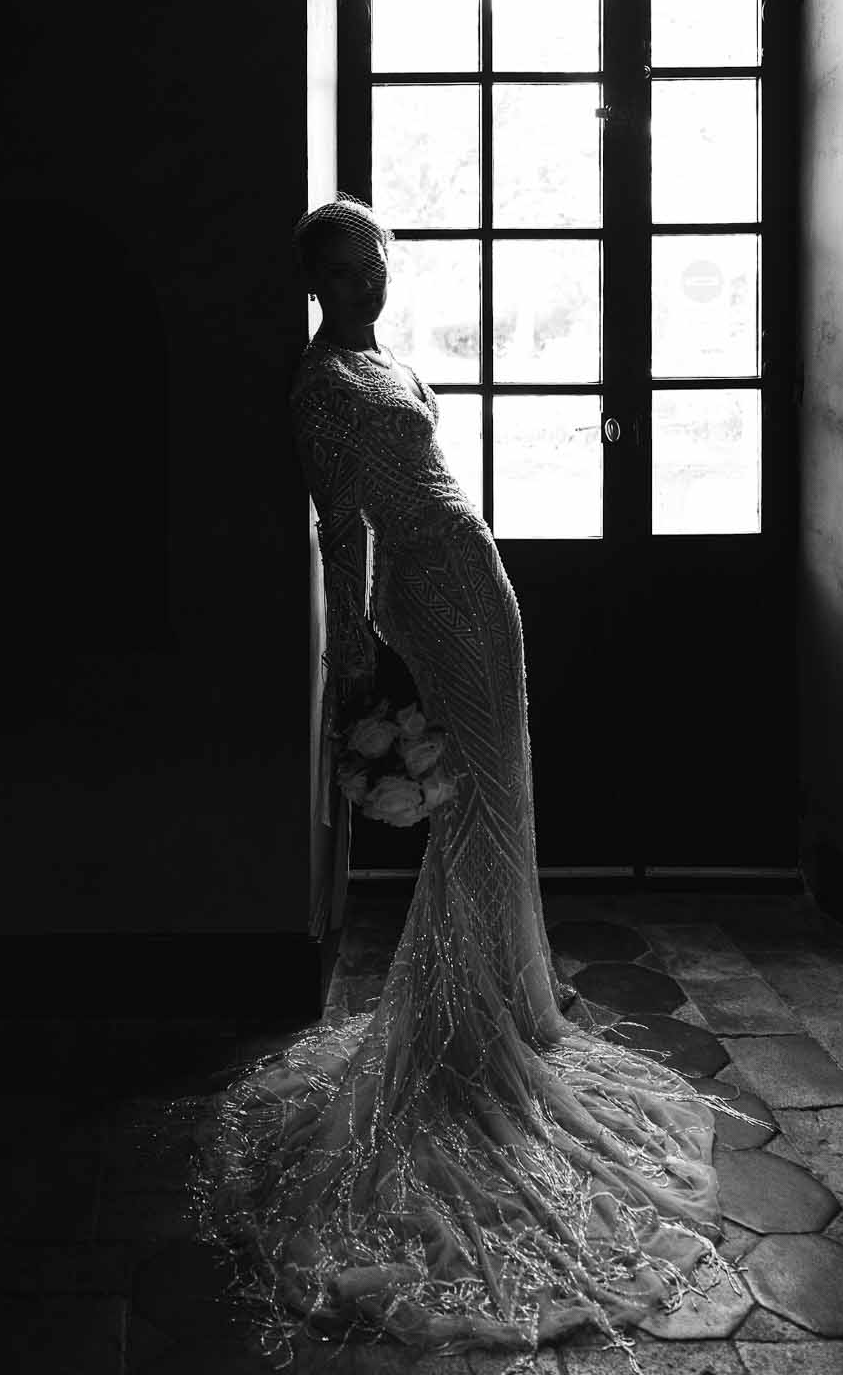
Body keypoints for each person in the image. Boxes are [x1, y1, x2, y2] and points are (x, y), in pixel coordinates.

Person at [193, 193, 740, 1367]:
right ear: (315, 281)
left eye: (377, 257)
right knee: (475, 808)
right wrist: (349, 672)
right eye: (347, 268)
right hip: (428, 595)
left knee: (500, 799)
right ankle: (459, 1023)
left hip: (476, 583)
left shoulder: (377, 361)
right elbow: (345, 534)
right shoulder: (321, 387)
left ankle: (499, 996)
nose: (370, 278)